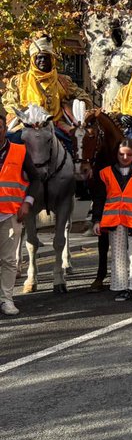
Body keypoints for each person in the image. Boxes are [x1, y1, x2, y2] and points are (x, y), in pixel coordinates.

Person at [92, 139, 132, 301]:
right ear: (116, 154)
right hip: (114, 219)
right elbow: (99, 198)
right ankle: (120, 287)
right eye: (122, 154)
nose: (125, 157)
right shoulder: (105, 172)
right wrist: (96, 220)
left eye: (129, 154)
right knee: (118, 255)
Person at [3, 35, 92, 144]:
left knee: (74, 145)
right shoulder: (19, 80)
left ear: (52, 59)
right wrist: (24, 113)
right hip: (26, 125)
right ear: (33, 60)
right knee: (9, 143)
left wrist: (73, 106)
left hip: (56, 124)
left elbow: (83, 97)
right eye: (39, 57)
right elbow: (9, 101)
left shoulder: (63, 81)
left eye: (46, 57)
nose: (42, 60)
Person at [0, 135, 36, 316]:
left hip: (10, 213)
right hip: (17, 114)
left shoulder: (19, 151)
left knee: (8, 260)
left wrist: (27, 202)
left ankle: (7, 299)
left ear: (4, 130)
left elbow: (35, 178)